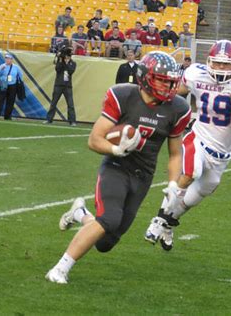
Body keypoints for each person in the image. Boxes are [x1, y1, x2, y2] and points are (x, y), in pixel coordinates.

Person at [45, 51, 191, 284]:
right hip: (116, 166)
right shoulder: (123, 95)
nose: (167, 86)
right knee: (109, 220)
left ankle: (80, 214)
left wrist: (174, 183)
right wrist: (116, 150)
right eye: (162, 79)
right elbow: (94, 139)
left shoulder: (178, 108)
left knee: (106, 242)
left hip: (143, 176)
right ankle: (60, 269)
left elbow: (175, 153)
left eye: (170, 81)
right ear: (144, 77)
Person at [143, 41, 231, 250]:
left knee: (197, 195)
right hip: (198, 139)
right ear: (209, 62)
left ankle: (168, 224)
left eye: (226, 65)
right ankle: (159, 221)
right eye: (217, 63)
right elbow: (172, 94)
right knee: (191, 172)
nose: (220, 69)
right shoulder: (196, 74)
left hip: (222, 155)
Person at [44, 48, 77, 126]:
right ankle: (49, 119)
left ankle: (72, 121)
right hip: (58, 85)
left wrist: (66, 62)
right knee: (53, 103)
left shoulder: (73, 63)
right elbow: (57, 69)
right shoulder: (60, 61)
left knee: (70, 104)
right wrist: (61, 60)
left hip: (67, 86)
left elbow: (70, 71)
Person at [0, 53, 23, 120]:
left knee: (10, 101)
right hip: (3, 84)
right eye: (6, 58)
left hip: (12, 85)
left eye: (9, 59)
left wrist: (18, 83)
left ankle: (7, 116)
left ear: (11, 60)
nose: (7, 60)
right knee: (0, 101)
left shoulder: (16, 67)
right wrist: (1, 69)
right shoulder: (2, 66)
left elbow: (20, 75)